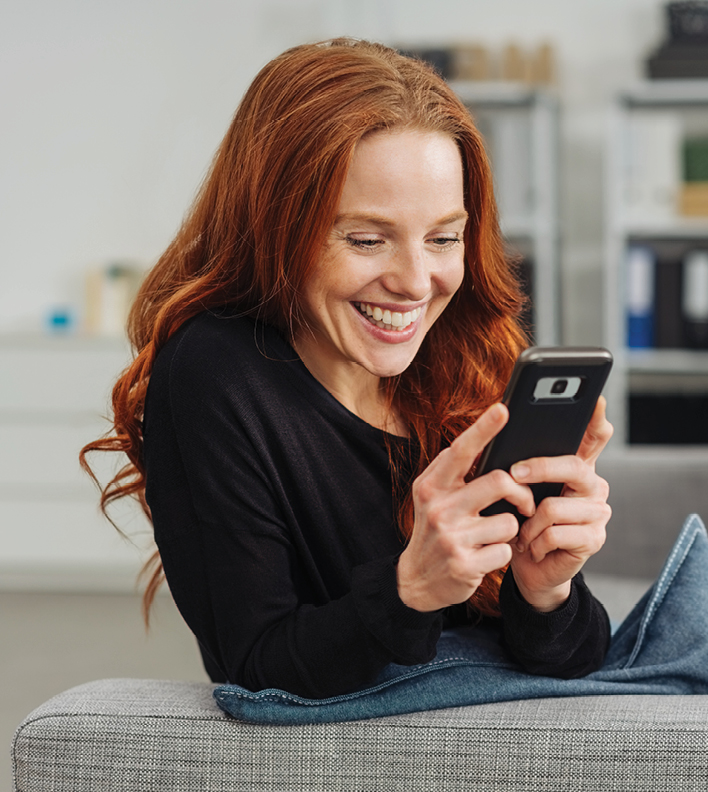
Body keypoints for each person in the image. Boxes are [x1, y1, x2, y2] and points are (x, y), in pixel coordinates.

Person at [81, 38, 613, 700]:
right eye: (366, 239)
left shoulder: (465, 349)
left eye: (444, 238)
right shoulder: (215, 373)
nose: (416, 283)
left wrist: (547, 589)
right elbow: (253, 668)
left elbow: (577, 664)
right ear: (275, 228)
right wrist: (411, 589)